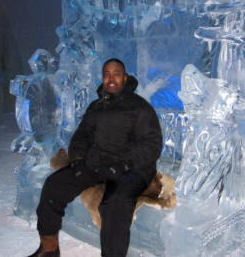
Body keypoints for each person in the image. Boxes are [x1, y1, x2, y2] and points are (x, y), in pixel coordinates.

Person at [28, 58, 163, 257]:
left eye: (116, 74)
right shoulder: (96, 107)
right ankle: (49, 249)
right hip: (99, 163)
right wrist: (79, 161)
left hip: (133, 168)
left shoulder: (140, 107)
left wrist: (124, 165)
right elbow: (81, 136)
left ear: (124, 78)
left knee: (115, 203)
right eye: (106, 74)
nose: (111, 78)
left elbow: (152, 144)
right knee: (54, 185)